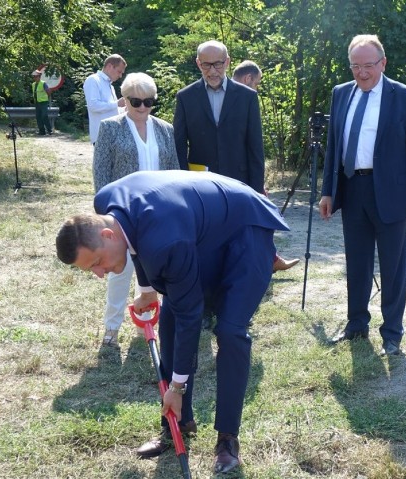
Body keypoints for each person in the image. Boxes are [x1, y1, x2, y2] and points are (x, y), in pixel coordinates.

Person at [56, 170, 289, 473]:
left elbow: (190, 314)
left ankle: (227, 440)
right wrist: (147, 289)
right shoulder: (106, 203)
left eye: (97, 262)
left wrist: (176, 387)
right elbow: (135, 236)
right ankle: (178, 424)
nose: (100, 273)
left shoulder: (165, 242)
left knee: (230, 330)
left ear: (106, 235)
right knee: (168, 317)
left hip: (246, 229)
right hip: (200, 227)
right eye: (91, 269)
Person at [319, 34, 406, 356]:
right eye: (355, 66)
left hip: (392, 193)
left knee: (393, 266)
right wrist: (328, 191)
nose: (361, 73)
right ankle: (356, 324)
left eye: (368, 66)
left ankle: (392, 333)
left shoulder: (405, 97)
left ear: (383, 63)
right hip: (352, 188)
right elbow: (334, 148)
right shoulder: (341, 94)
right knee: (356, 263)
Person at [92, 72, 181, 347]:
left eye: (149, 101)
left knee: (163, 270)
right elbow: (101, 172)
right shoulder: (110, 127)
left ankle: (158, 326)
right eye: (135, 101)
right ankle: (112, 328)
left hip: (160, 213)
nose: (142, 107)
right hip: (124, 213)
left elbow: (176, 172)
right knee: (121, 269)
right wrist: (106, 214)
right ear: (124, 100)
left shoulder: (166, 129)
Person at [230, 60, 300, 272]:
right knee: (262, 216)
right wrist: (256, 182)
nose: (257, 87)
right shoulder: (240, 98)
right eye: (257, 82)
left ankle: (272, 258)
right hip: (238, 174)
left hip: (240, 173)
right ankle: (270, 260)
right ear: (248, 78)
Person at [173, 40, 265, 195]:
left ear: (227, 62)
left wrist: (256, 192)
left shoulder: (247, 97)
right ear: (198, 63)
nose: (212, 71)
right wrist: (183, 186)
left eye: (218, 64)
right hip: (199, 185)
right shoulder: (185, 97)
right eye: (206, 65)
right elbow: (179, 146)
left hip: (239, 183)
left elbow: (255, 147)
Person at [83, 54, 127, 144]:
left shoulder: (110, 86)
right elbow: (93, 106)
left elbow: (112, 110)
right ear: (109, 66)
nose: (120, 76)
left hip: (113, 134)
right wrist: (117, 103)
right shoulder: (93, 80)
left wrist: (125, 109)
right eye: (119, 72)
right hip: (101, 136)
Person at [31, 70, 53, 135]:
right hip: (37, 102)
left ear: (39, 76)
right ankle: (42, 131)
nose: (35, 78)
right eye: (34, 76)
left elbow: (48, 92)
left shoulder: (43, 83)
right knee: (38, 117)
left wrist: (46, 98)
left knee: (44, 116)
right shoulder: (33, 84)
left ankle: (49, 130)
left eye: (36, 76)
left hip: (43, 102)